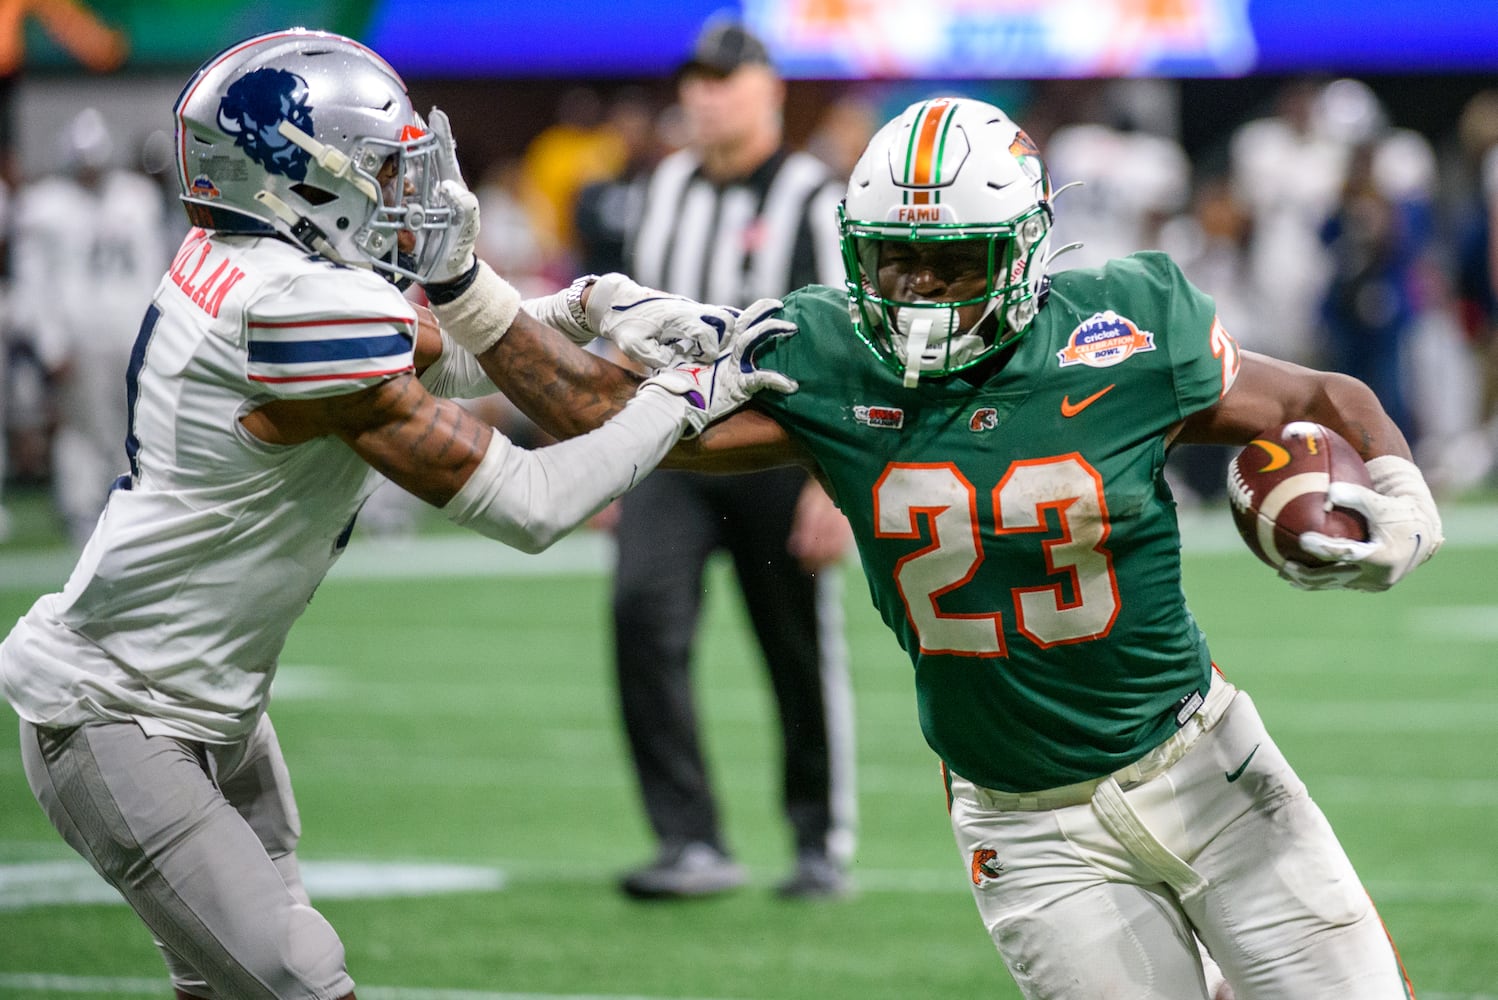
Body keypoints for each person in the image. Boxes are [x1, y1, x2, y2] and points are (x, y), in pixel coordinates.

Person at [431, 96, 1444, 999]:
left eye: (955, 260)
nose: (917, 289)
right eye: (892, 257)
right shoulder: (822, 353)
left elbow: (1320, 398)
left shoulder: (1124, 328)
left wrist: (1397, 492)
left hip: (1209, 770)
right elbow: (593, 409)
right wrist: (468, 287)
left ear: (1026, 246)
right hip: (1028, 828)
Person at [0, 29, 792, 1000]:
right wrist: (687, 397)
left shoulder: (254, 266)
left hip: (204, 702)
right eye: (378, 163)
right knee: (298, 976)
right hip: (120, 709)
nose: (399, 184)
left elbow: (434, 352)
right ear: (296, 175)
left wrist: (589, 305)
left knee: (232, 985)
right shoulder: (289, 308)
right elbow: (532, 502)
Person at [607, 17, 857, 900]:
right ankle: (690, 840)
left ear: (771, 89)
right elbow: (623, 328)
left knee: (794, 648)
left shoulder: (814, 194)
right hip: (667, 449)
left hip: (778, 457)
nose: (707, 96)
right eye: (697, 81)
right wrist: (601, 456)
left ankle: (818, 839)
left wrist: (833, 485)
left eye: (726, 79)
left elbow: (845, 345)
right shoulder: (661, 184)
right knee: (641, 617)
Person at [9, 106, 169, 547]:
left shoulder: (135, 198)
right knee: (80, 428)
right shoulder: (46, 207)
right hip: (79, 337)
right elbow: (32, 278)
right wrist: (50, 341)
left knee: (133, 425)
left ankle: (126, 505)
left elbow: (155, 268)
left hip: (129, 332)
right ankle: (81, 508)